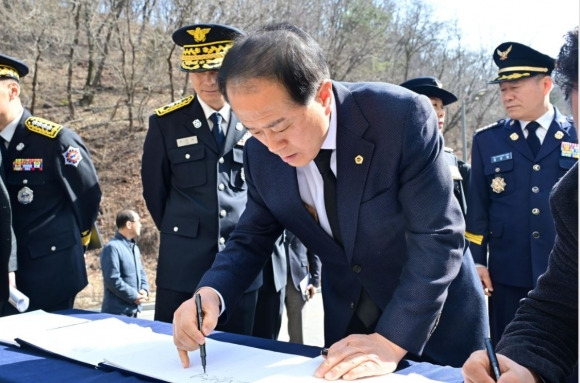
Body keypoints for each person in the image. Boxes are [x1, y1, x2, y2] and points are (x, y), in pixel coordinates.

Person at [173, 22, 487, 379]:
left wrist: (391, 340)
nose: (272, 146)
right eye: (254, 131)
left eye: (279, 126)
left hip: (434, 320)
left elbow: (439, 237)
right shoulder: (261, 154)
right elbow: (251, 237)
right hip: (348, 326)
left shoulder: (398, 118)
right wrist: (212, 292)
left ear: (322, 97)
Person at [141, 23, 285, 333]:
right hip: (184, 265)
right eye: (197, 71)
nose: (208, 80)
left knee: (238, 355)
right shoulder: (166, 123)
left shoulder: (255, 118)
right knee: (174, 357)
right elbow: (156, 193)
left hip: (240, 265)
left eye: (216, 70)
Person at [463, 26, 578, 383]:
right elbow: (477, 209)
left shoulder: (569, 134)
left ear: (546, 86)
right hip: (512, 272)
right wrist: (477, 262)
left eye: (516, 87)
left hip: (552, 259)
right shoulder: (488, 140)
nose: (507, 95)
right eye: (503, 89)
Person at [0, 53, 101, 315]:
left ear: (12, 90)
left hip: (51, 271)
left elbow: (87, 197)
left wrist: (74, 243)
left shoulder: (54, 140)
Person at [100, 209, 149, 317]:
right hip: (116, 313)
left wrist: (144, 290)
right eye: (138, 221)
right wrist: (134, 296)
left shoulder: (134, 247)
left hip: (133, 311)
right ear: (129, 224)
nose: (140, 225)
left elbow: (141, 272)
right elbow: (113, 279)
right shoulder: (112, 248)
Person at [284, 230, 321, 344]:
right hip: (274, 275)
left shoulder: (304, 213)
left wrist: (315, 280)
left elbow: (314, 248)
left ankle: (296, 355)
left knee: (297, 329)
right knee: (270, 326)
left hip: (298, 276)